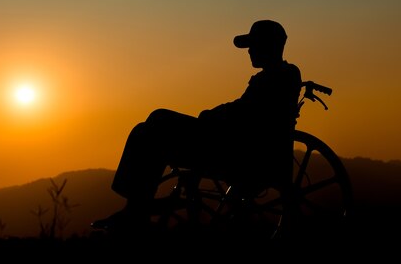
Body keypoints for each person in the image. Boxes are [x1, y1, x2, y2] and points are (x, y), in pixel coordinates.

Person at [91, 19, 302, 232]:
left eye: (253, 46)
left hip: (238, 153)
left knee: (159, 120)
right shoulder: (274, 77)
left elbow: (248, 114)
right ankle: (136, 205)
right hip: (231, 144)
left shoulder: (283, 75)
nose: (249, 52)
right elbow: (245, 110)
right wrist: (215, 116)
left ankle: (136, 208)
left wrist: (211, 116)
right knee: (147, 128)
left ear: (270, 45)